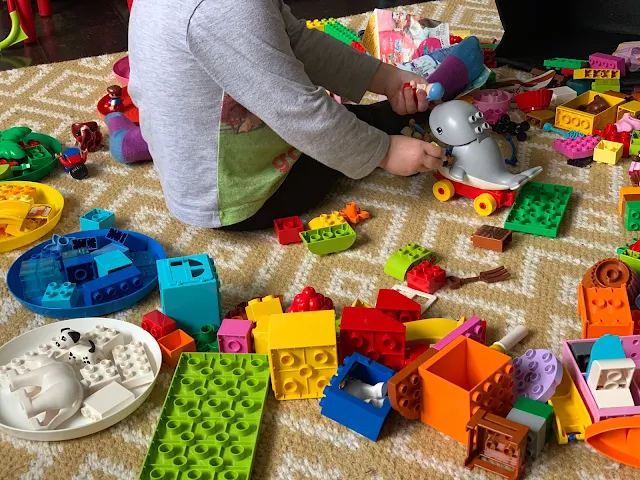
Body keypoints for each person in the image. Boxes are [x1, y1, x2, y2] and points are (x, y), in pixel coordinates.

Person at [127, 0, 445, 230]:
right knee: (352, 129)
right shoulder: (226, 9)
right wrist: (385, 152)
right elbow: (296, 111)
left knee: (339, 124)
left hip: (197, 167)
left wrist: (385, 78)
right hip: (238, 198)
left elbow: (296, 42)